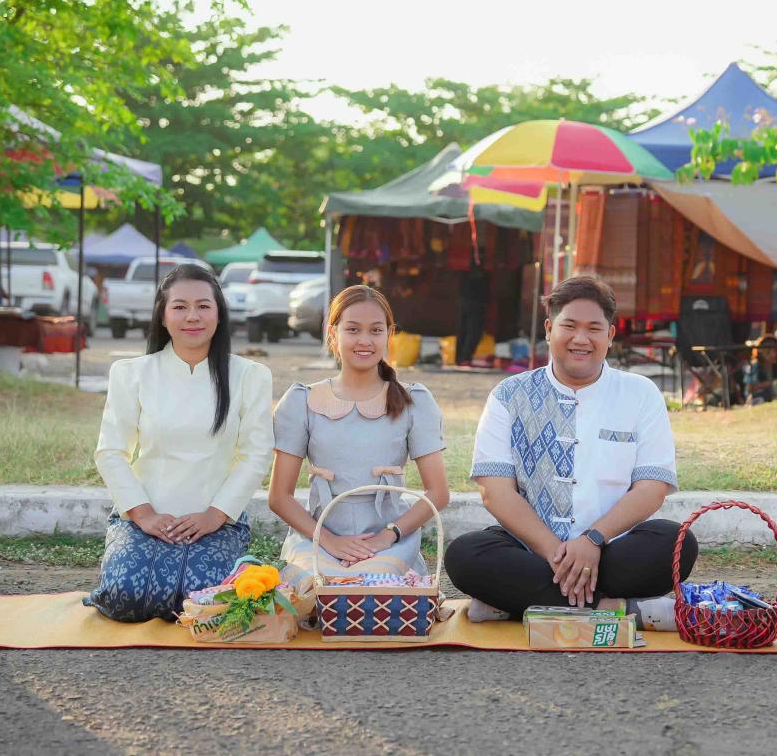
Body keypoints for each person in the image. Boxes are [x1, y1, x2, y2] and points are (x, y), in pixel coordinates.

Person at [444, 276, 698, 625]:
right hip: (532, 551)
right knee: (465, 555)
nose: (581, 339)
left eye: (594, 329)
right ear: (549, 330)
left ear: (610, 335)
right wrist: (557, 553)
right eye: (569, 326)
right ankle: (617, 609)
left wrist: (592, 541)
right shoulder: (509, 394)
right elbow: (496, 493)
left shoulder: (640, 394)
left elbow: (651, 489)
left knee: (677, 543)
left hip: (612, 549)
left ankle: (517, 603)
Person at [86, 264, 273, 622]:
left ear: (219, 313)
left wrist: (214, 515)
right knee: (125, 594)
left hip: (217, 518)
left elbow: (256, 454)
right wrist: (144, 515)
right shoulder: (131, 373)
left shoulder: (250, 376)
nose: (192, 316)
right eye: (180, 306)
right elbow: (110, 452)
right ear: (162, 315)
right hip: (144, 516)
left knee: (208, 598)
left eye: (203, 306)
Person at [268, 285, 449, 579]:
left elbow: (438, 493)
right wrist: (329, 541)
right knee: (317, 589)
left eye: (376, 330)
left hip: (389, 545)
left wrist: (387, 537)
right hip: (318, 541)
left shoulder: (414, 401)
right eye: (353, 329)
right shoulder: (301, 401)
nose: (365, 340)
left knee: (375, 586)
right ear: (332, 334)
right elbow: (279, 496)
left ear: (389, 334)